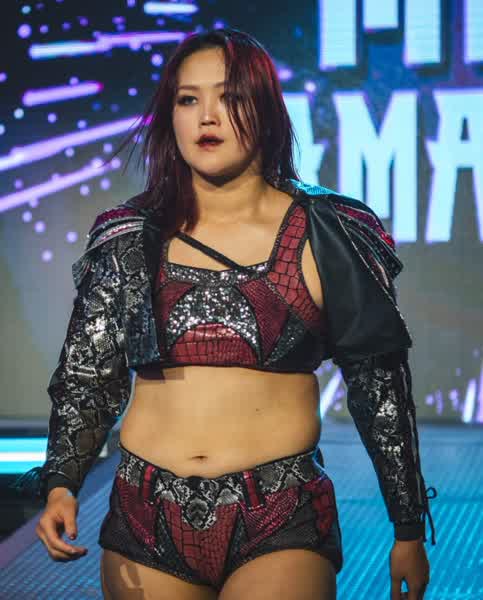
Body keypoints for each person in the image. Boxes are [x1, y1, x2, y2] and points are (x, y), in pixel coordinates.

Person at [13, 28, 437, 600]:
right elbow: (89, 377)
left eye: (229, 97)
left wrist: (407, 528)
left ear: (265, 111)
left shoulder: (330, 231)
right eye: (188, 99)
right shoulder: (128, 236)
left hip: (279, 514)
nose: (207, 117)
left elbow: (378, 386)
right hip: (145, 515)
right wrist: (62, 484)